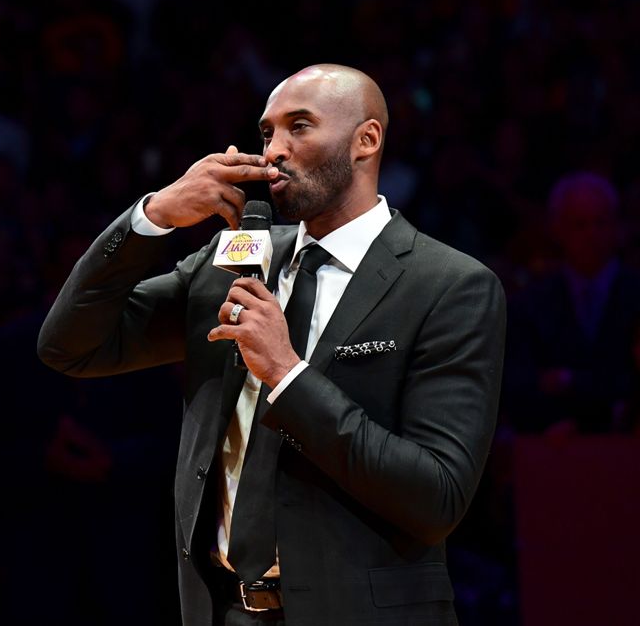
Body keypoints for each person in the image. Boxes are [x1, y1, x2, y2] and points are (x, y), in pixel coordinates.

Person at [38, 64, 506, 625]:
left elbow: (437, 498)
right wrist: (152, 217)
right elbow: (70, 346)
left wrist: (287, 375)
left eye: (299, 127)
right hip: (223, 610)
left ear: (366, 139)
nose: (274, 151)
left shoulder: (448, 285)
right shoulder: (229, 261)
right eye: (266, 133)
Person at [504, 171, 640, 435]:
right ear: (558, 229)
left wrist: (568, 381)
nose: (592, 234)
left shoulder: (636, 295)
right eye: (580, 224)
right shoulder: (531, 304)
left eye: (601, 223)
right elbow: (520, 386)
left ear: (617, 228)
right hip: (552, 450)